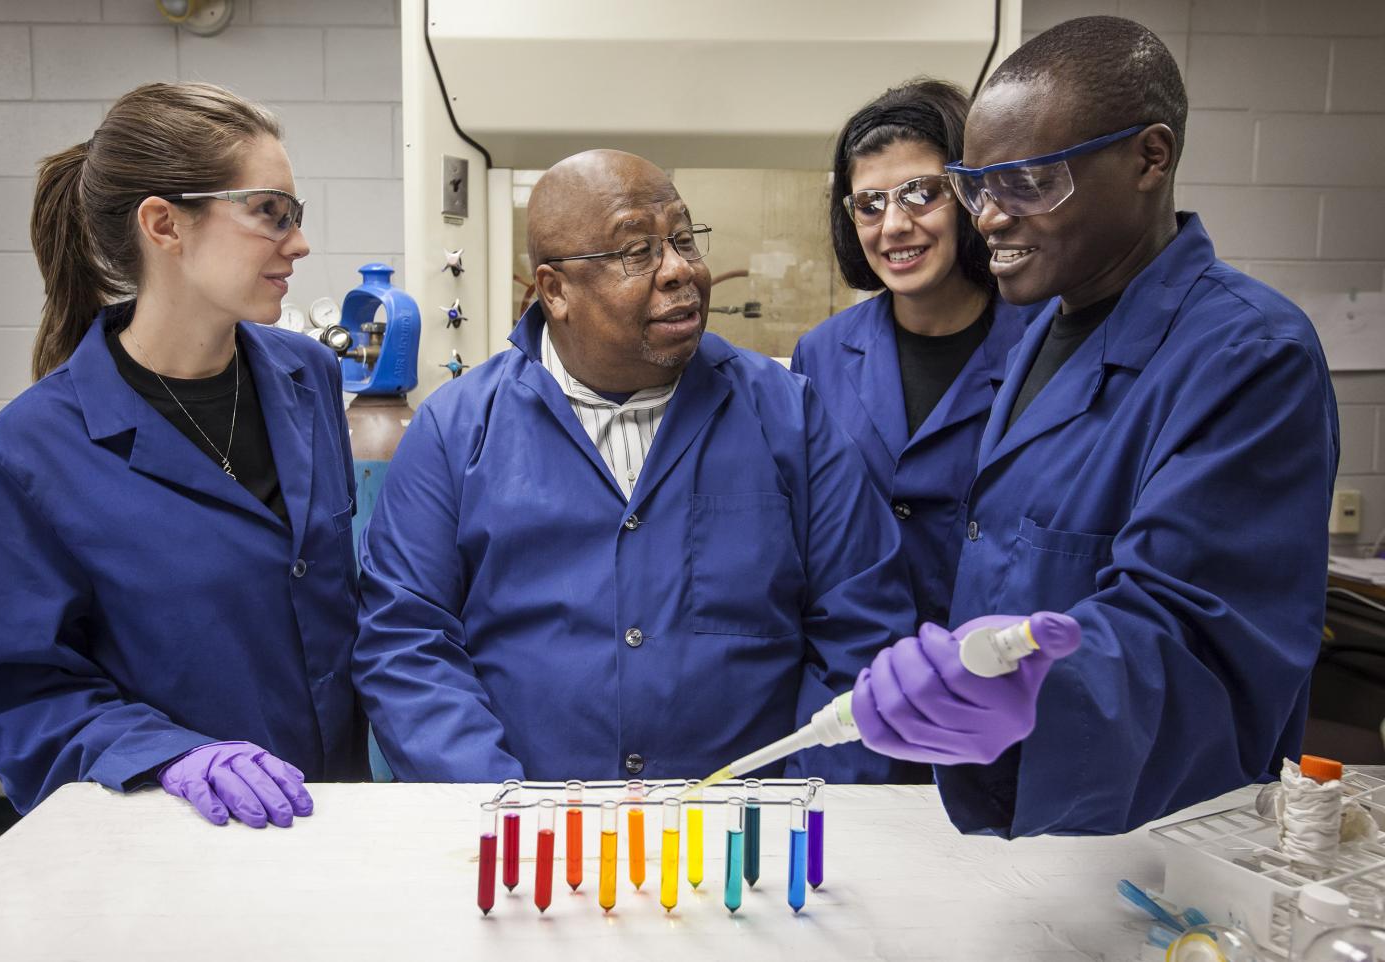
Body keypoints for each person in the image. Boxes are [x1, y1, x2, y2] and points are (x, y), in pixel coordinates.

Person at [872, 16, 1336, 837]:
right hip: (1026, 816)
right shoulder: (1042, 332)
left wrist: (1027, 691)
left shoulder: (1248, 354)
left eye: (1028, 182)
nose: (989, 218)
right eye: (978, 185)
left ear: (1149, 158)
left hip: (1164, 833)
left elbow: (1195, 635)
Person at [353, 149, 915, 784]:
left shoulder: (788, 417)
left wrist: (808, 813)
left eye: (682, 238)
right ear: (555, 290)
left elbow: (863, 632)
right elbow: (407, 642)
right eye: (636, 252)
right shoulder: (456, 430)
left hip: (744, 846)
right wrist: (503, 810)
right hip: (526, 847)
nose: (678, 269)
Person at [0, 83, 369, 828]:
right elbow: (11, 695)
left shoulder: (310, 378)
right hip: (171, 842)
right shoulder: (32, 452)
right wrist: (169, 755)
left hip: (332, 824)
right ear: (164, 224)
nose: (298, 243)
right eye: (271, 212)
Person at [793, 79, 1028, 637]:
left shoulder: (1043, 342)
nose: (894, 225)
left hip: (993, 669)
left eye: (921, 193)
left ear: (973, 193)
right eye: (869, 204)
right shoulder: (821, 353)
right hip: (857, 670)